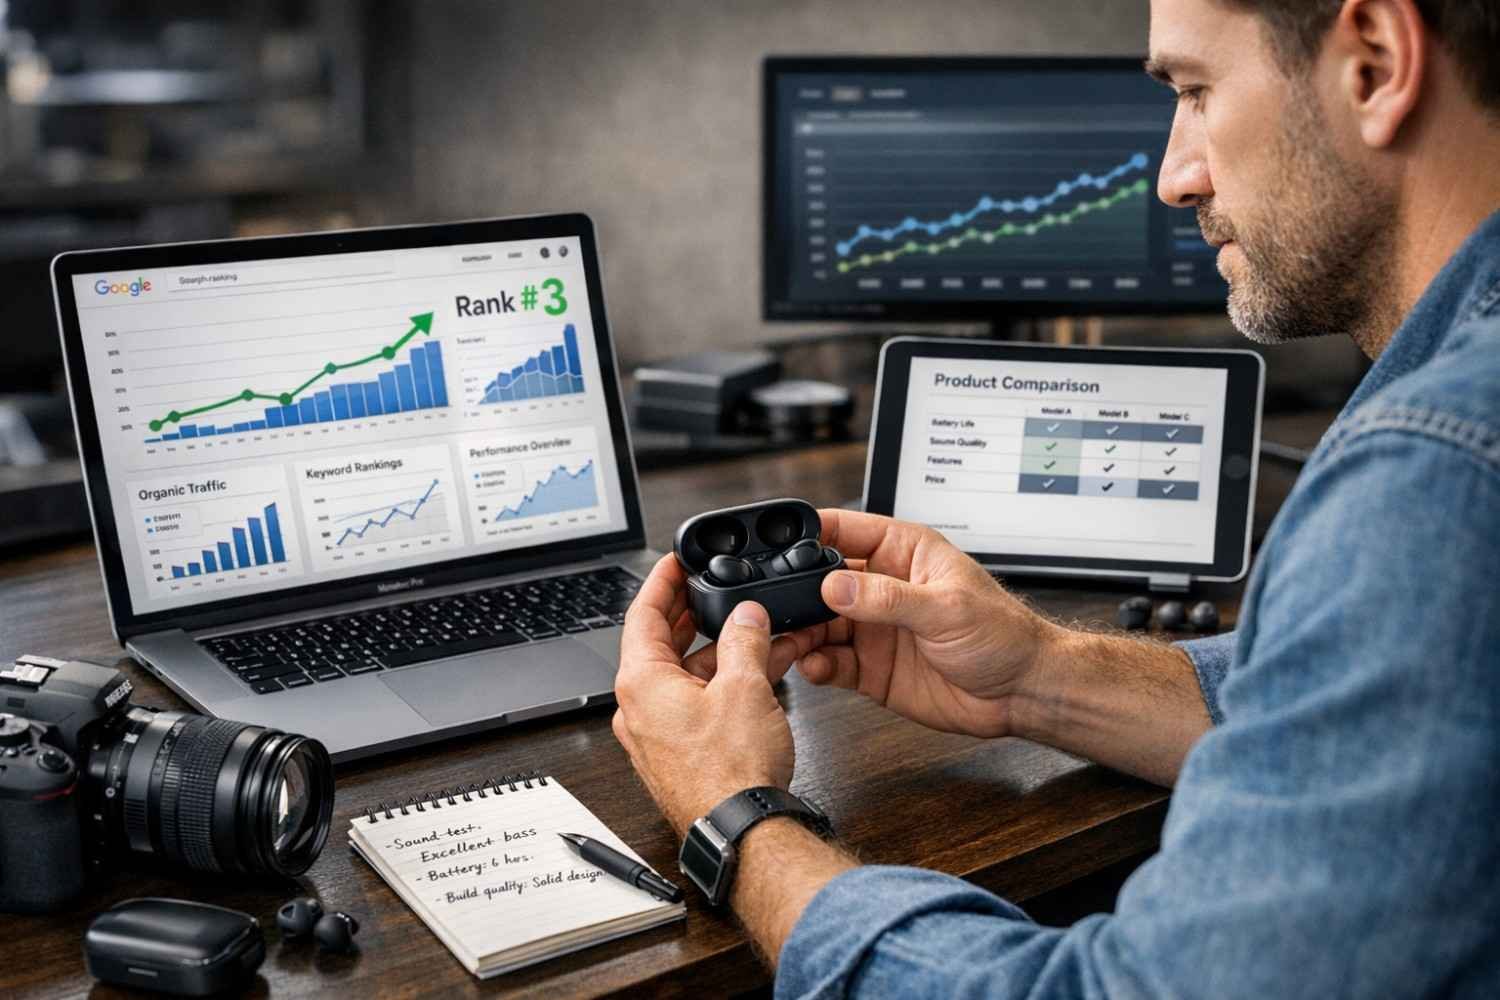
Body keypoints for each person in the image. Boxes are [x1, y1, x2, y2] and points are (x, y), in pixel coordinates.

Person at [612, 0, 1500, 995]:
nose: (1173, 178)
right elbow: (1360, 717)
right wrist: (1038, 675)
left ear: (1375, 62)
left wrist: (734, 815)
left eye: (1197, 92)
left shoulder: (1438, 476)